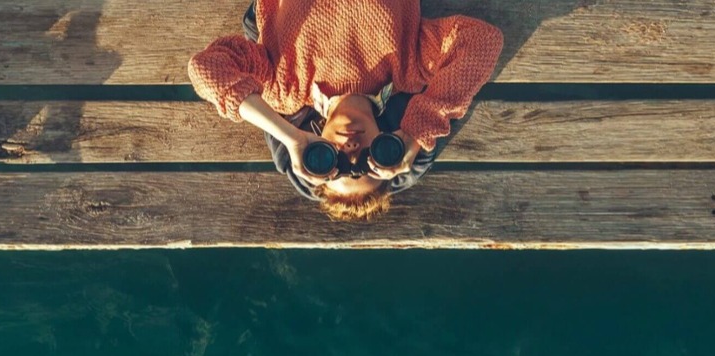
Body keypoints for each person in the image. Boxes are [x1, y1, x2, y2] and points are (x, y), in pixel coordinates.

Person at [188, 0, 503, 221]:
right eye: (369, 161)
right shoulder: (409, 67)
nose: (352, 149)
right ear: (388, 142)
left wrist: (290, 137)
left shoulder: (283, 89)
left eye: (332, 160)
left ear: (317, 146)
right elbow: (483, 41)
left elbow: (206, 69)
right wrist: (417, 132)